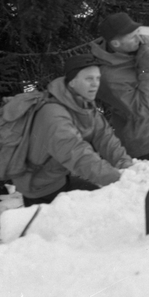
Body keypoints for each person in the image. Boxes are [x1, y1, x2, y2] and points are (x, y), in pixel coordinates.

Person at [13, 54, 134, 206]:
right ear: (72, 82)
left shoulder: (82, 104)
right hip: (41, 189)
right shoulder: (53, 114)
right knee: (98, 209)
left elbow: (104, 136)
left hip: (59, 177)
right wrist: (118, 179)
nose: (95, 84)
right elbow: (76, 153)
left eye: (97, 78)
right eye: (89, 79)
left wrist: (124, 163)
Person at [90, 13, 149, 159]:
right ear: (115, 44)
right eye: (133, 37)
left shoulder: (135, 44)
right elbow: (143, 109)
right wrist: (147, 67)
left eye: (138, 33)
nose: (140, 39)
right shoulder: (110, 77)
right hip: (145, 140)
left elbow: (148, 42)